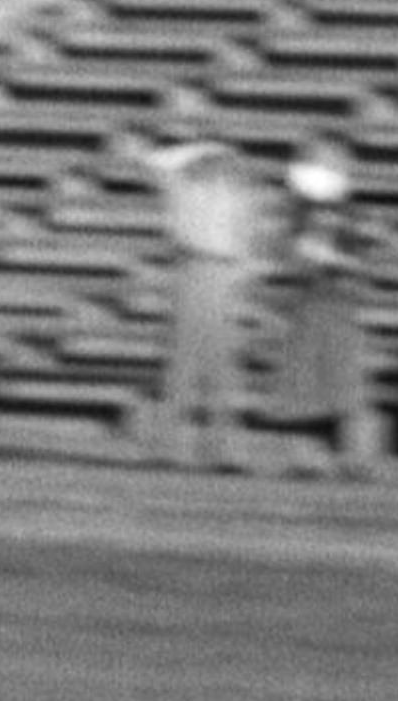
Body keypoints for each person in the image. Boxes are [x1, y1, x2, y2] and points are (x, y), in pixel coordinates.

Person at [132, 88, 269, 473]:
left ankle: (224, 451)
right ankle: (168, 448)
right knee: (184, 361)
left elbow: (248, 234)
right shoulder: (181, 180)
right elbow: (151, 161)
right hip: (194, 267)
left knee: (220, 365)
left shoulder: (234, 185)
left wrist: (244, 274)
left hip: (219, 271)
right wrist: (196, 146)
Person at [263, 145, 376, 477]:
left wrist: (336, 258)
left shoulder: (354, 216)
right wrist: (306, 252)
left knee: (343, 384)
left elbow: (363, 260)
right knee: (305, 386)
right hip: (309, 304)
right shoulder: (298, 216)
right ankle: (306, 459)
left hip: (339, 303)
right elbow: (289, 258)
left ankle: (352, 459)